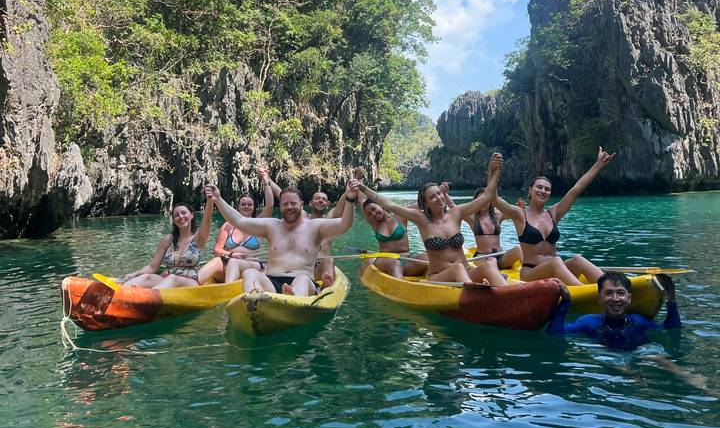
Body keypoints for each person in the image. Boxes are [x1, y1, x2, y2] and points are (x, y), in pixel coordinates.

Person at [357, 154, 507, 287]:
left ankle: (510, 295)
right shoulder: (421, 220)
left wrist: (494, 172)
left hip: (466, 273)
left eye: (439, 194)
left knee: (488, 265)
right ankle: (474, 292)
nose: (439, 198)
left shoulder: (456, 213)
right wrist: (363, 188)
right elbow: (389, 204)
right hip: (440, 278)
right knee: (457, 268)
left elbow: (487, 196)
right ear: (425, 203)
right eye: (433, 196)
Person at [204, 180, 359, 296]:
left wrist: (350, 200)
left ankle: (292, 299)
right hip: (272, 280)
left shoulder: (316, 226)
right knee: (249, 273)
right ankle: (254, 301)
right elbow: (239, 221)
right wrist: (218, 199)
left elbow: (345, 224)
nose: (289, 207)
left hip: (303, 281)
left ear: (302, 204)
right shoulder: (271, 226)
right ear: (281, 206)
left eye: (293, 203)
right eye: (285, 204)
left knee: (302, 280)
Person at [492, 146, 615, 286]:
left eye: (547, 189)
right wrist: (493, 172)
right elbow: (494, 198)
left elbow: (577, 188)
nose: (543, 191)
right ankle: (588, 293)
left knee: (577, 259)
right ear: (530, 190)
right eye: (539, 187)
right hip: (531, 273)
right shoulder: (520, 214)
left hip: (555, 268)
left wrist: (599, 164)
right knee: (556, 261)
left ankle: (611, 286)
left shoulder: (553, 213)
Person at [547, 271, 681, 350]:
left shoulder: (638, 321)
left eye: (621, 293)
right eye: (609, 293)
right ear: (599, 298)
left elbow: (671, 329)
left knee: (661, 359)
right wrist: (565, 303)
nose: (615, 299)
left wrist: (672, 300)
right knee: (621, 365)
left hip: (641, 351)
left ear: (629, 298)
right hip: (608, 355)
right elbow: (556, 333)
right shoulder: (588, 321)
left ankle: (689, 377)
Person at [197, 167, 275, 285]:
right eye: (243, 204)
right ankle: (191, 283)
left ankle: (228, 291)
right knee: (216, 261)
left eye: (249, 204)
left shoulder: (258, 224)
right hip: (228, 264)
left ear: (254, 207)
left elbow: (269, 205)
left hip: (251, 267)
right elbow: (217, 250)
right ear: (238, 206)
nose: (246, 206)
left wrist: (266, 180)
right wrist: (232, 254)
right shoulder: (228, 226)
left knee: (235, 264)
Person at [123, 197, 215, 289]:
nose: (181, 217)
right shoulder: (168, 239)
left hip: (189, 282)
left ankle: (148, 295)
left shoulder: (199, 238)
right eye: (176, 215)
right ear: (174, 220)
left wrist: (210, 200)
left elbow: (207, 219)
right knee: (147, 277)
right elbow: (152, 267)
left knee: (174, 278)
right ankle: (122, 290)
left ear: (192, 215)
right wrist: (134, 274)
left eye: (183, 213)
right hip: (166, 280)